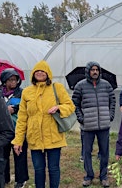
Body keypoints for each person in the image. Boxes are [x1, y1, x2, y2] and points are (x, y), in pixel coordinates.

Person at [12, 60, 75, 188]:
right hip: (35, 137)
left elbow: (70, 106)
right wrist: (18, 140)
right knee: (38, 169)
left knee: (53, 168)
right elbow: (22, 118)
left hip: (53, 136)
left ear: (48, 73)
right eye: (37, 71)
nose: (40, 73)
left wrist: (59, 108)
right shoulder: (27, 92)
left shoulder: (56, 88)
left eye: (43, 71)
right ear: (33, 74)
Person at [72, 61, 116, 187]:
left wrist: (110, 114)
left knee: (104, 152)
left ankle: (104, 176)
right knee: (87, 152)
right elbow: (74, 103)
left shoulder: (106, 85)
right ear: (88, 71)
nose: (95, 72)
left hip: (103, 125)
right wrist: (81, 117)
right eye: (92, 70)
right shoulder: (80, 86)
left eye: (97, 69)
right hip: (87, 126)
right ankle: (88, 175)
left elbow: (112, 100)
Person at [0, 68, 29, 188]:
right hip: (2, 131)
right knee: (3, 155)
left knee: (20, 155)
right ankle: (4, 178)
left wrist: (15, 108)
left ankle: (21, 179)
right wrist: (5, 110)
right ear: (4, 81)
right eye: (10, 80)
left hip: (17, 130)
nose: (13, 82)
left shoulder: (22, 93)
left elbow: (27, 106)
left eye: (15, 80)